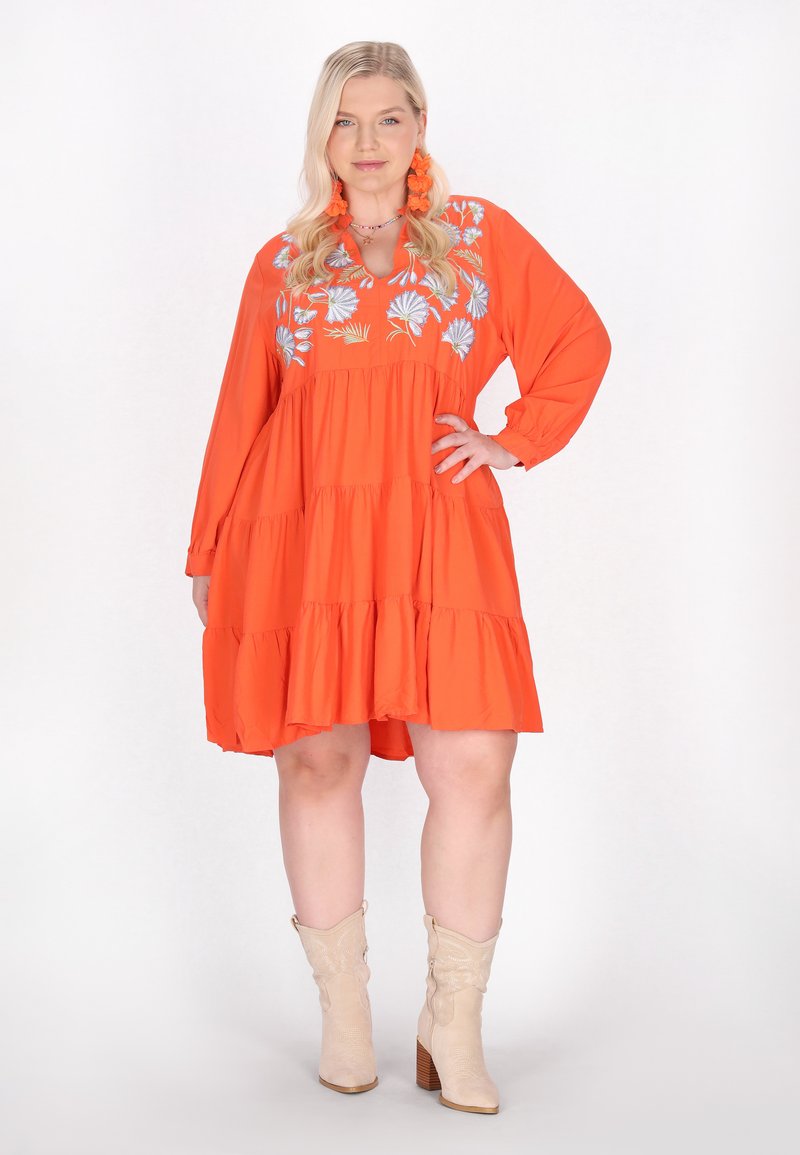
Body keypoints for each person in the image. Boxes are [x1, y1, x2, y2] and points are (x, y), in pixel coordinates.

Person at [184, 41, 612, 1114]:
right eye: (346, 120)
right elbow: (241, 414)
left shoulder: (477, 241)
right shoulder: (285, 265)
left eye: (387, 118)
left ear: (419, 126)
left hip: (438, 532)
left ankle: (450, 1021)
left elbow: (577, 339)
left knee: (471, 763)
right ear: (321, 136)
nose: (367, 141)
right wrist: (210, 550)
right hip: (300, 538)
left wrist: (512, 440)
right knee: (316, 762)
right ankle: (343, 1013)